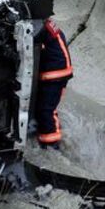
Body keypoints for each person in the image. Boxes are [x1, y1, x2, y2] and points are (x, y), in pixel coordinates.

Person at [35, 18, 73, 149]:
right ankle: (48, 132)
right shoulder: (45, 22)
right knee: (47, 107)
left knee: (46, 110)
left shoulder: (39, 25)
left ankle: (51, 145)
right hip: (59, 70)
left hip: (55, 73)